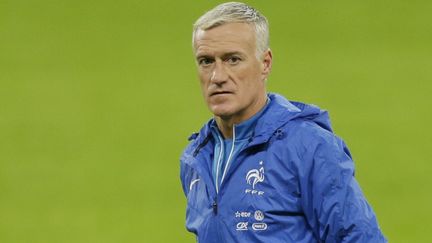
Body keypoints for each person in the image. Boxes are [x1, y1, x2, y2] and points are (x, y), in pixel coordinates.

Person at [180, 2, 386, 242]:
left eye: (233, 59)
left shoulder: (308, 147)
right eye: (206, 61)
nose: (217, 76)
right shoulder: (197, 157)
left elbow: (359, 237)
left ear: (265, 63)